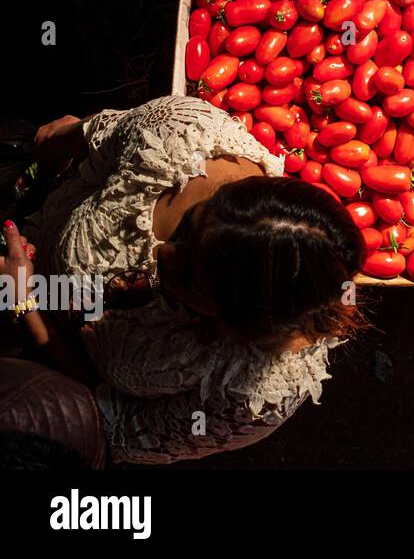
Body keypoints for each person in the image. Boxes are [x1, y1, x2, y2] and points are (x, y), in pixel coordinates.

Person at [1, 96, 364, 465]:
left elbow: (112, 423)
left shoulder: (255, 395)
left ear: (236, 324)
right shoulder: (180, 135)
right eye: (187, 227)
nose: (161, 254)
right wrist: (38, 170)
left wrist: (25, 306)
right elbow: (64, 136)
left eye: (189, 277)